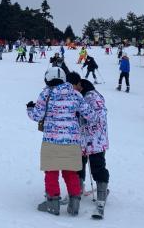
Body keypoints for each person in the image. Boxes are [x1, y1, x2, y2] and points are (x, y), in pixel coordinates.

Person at [27, 67, 97, 216]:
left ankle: (53, 203)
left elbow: (37, 116)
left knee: (51, 171)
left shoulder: (46, 93)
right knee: (70, 171)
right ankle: (74, 203)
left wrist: (29, 108)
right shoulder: (75, 93)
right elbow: (91, 115)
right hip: (72, 140)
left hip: (51, 139)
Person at [67, 74, 109, 216]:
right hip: (83, 139)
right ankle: (78, 189)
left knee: (97, 166)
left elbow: (98, 117)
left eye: (73, 86)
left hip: (95, 140)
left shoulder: (92, 97)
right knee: (79, 165)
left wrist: (81, 118)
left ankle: (102, 195)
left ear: (80, 85)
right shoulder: (83, 96)